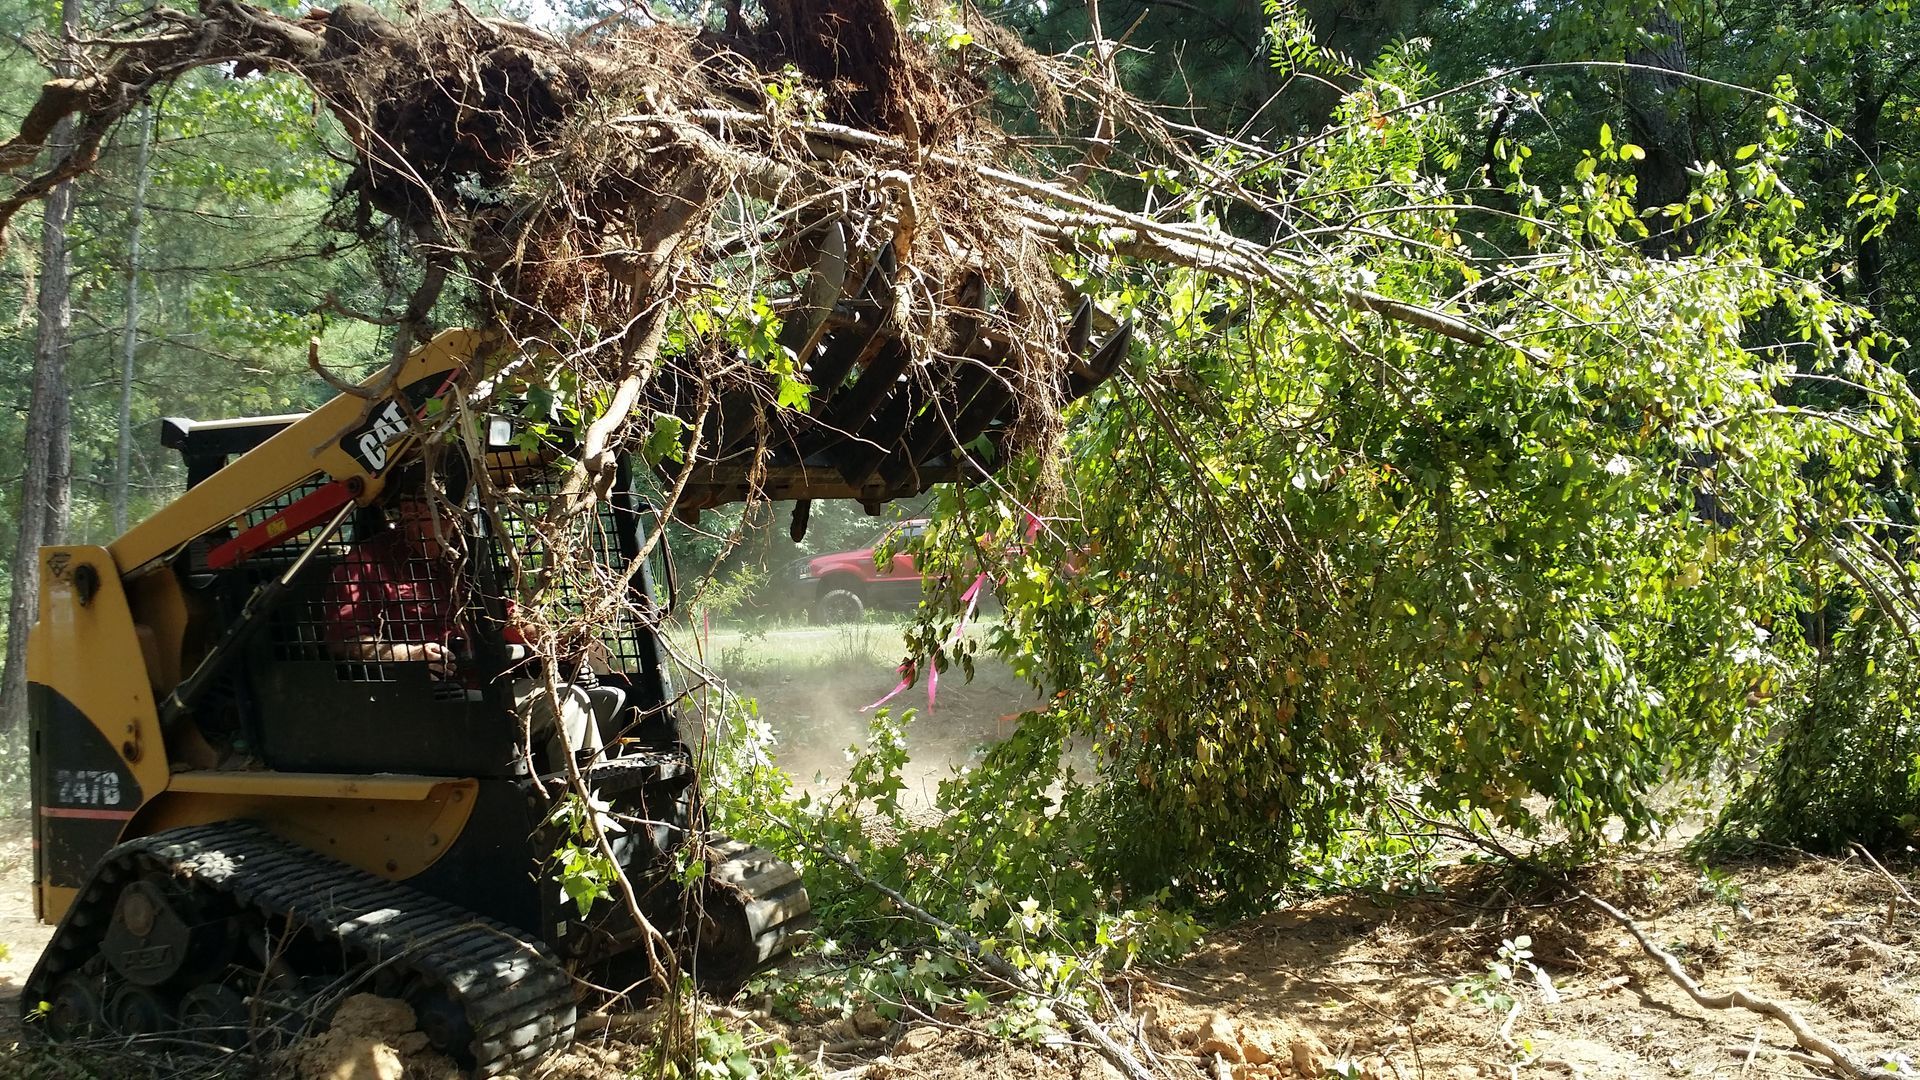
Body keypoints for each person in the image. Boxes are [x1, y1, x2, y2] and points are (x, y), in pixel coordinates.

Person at [324, 464, 619, 766]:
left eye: (461, 513)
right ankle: (578, 795)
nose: (456, 523)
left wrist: (551, 637)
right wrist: (410, 655)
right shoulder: (365, 564)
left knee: (609, 699)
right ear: (410, 510)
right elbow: (344, 642)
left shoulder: (462, 557)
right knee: (567, 704)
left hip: (485, 685)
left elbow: (503, 618)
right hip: (421, 700)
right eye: (446, 513)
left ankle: (575, 784)